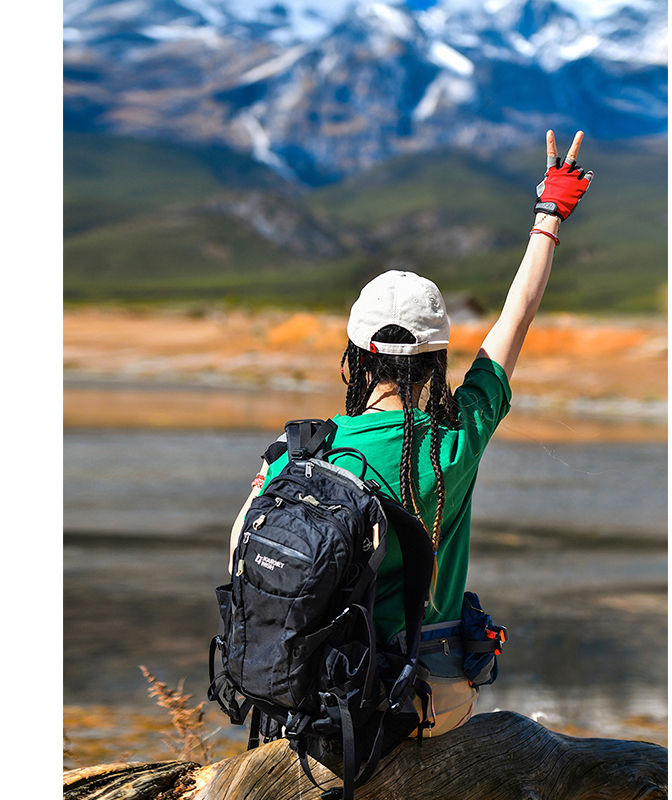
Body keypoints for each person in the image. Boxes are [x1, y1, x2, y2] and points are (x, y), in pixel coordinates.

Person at [229, 129, 593, 737]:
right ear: (436, 361)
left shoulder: (301, 453)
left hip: (309, 699)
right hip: (424, 703)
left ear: (354, 356)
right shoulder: (456, 438)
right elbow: (514, 319)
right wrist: (548, 214)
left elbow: (244, 557)